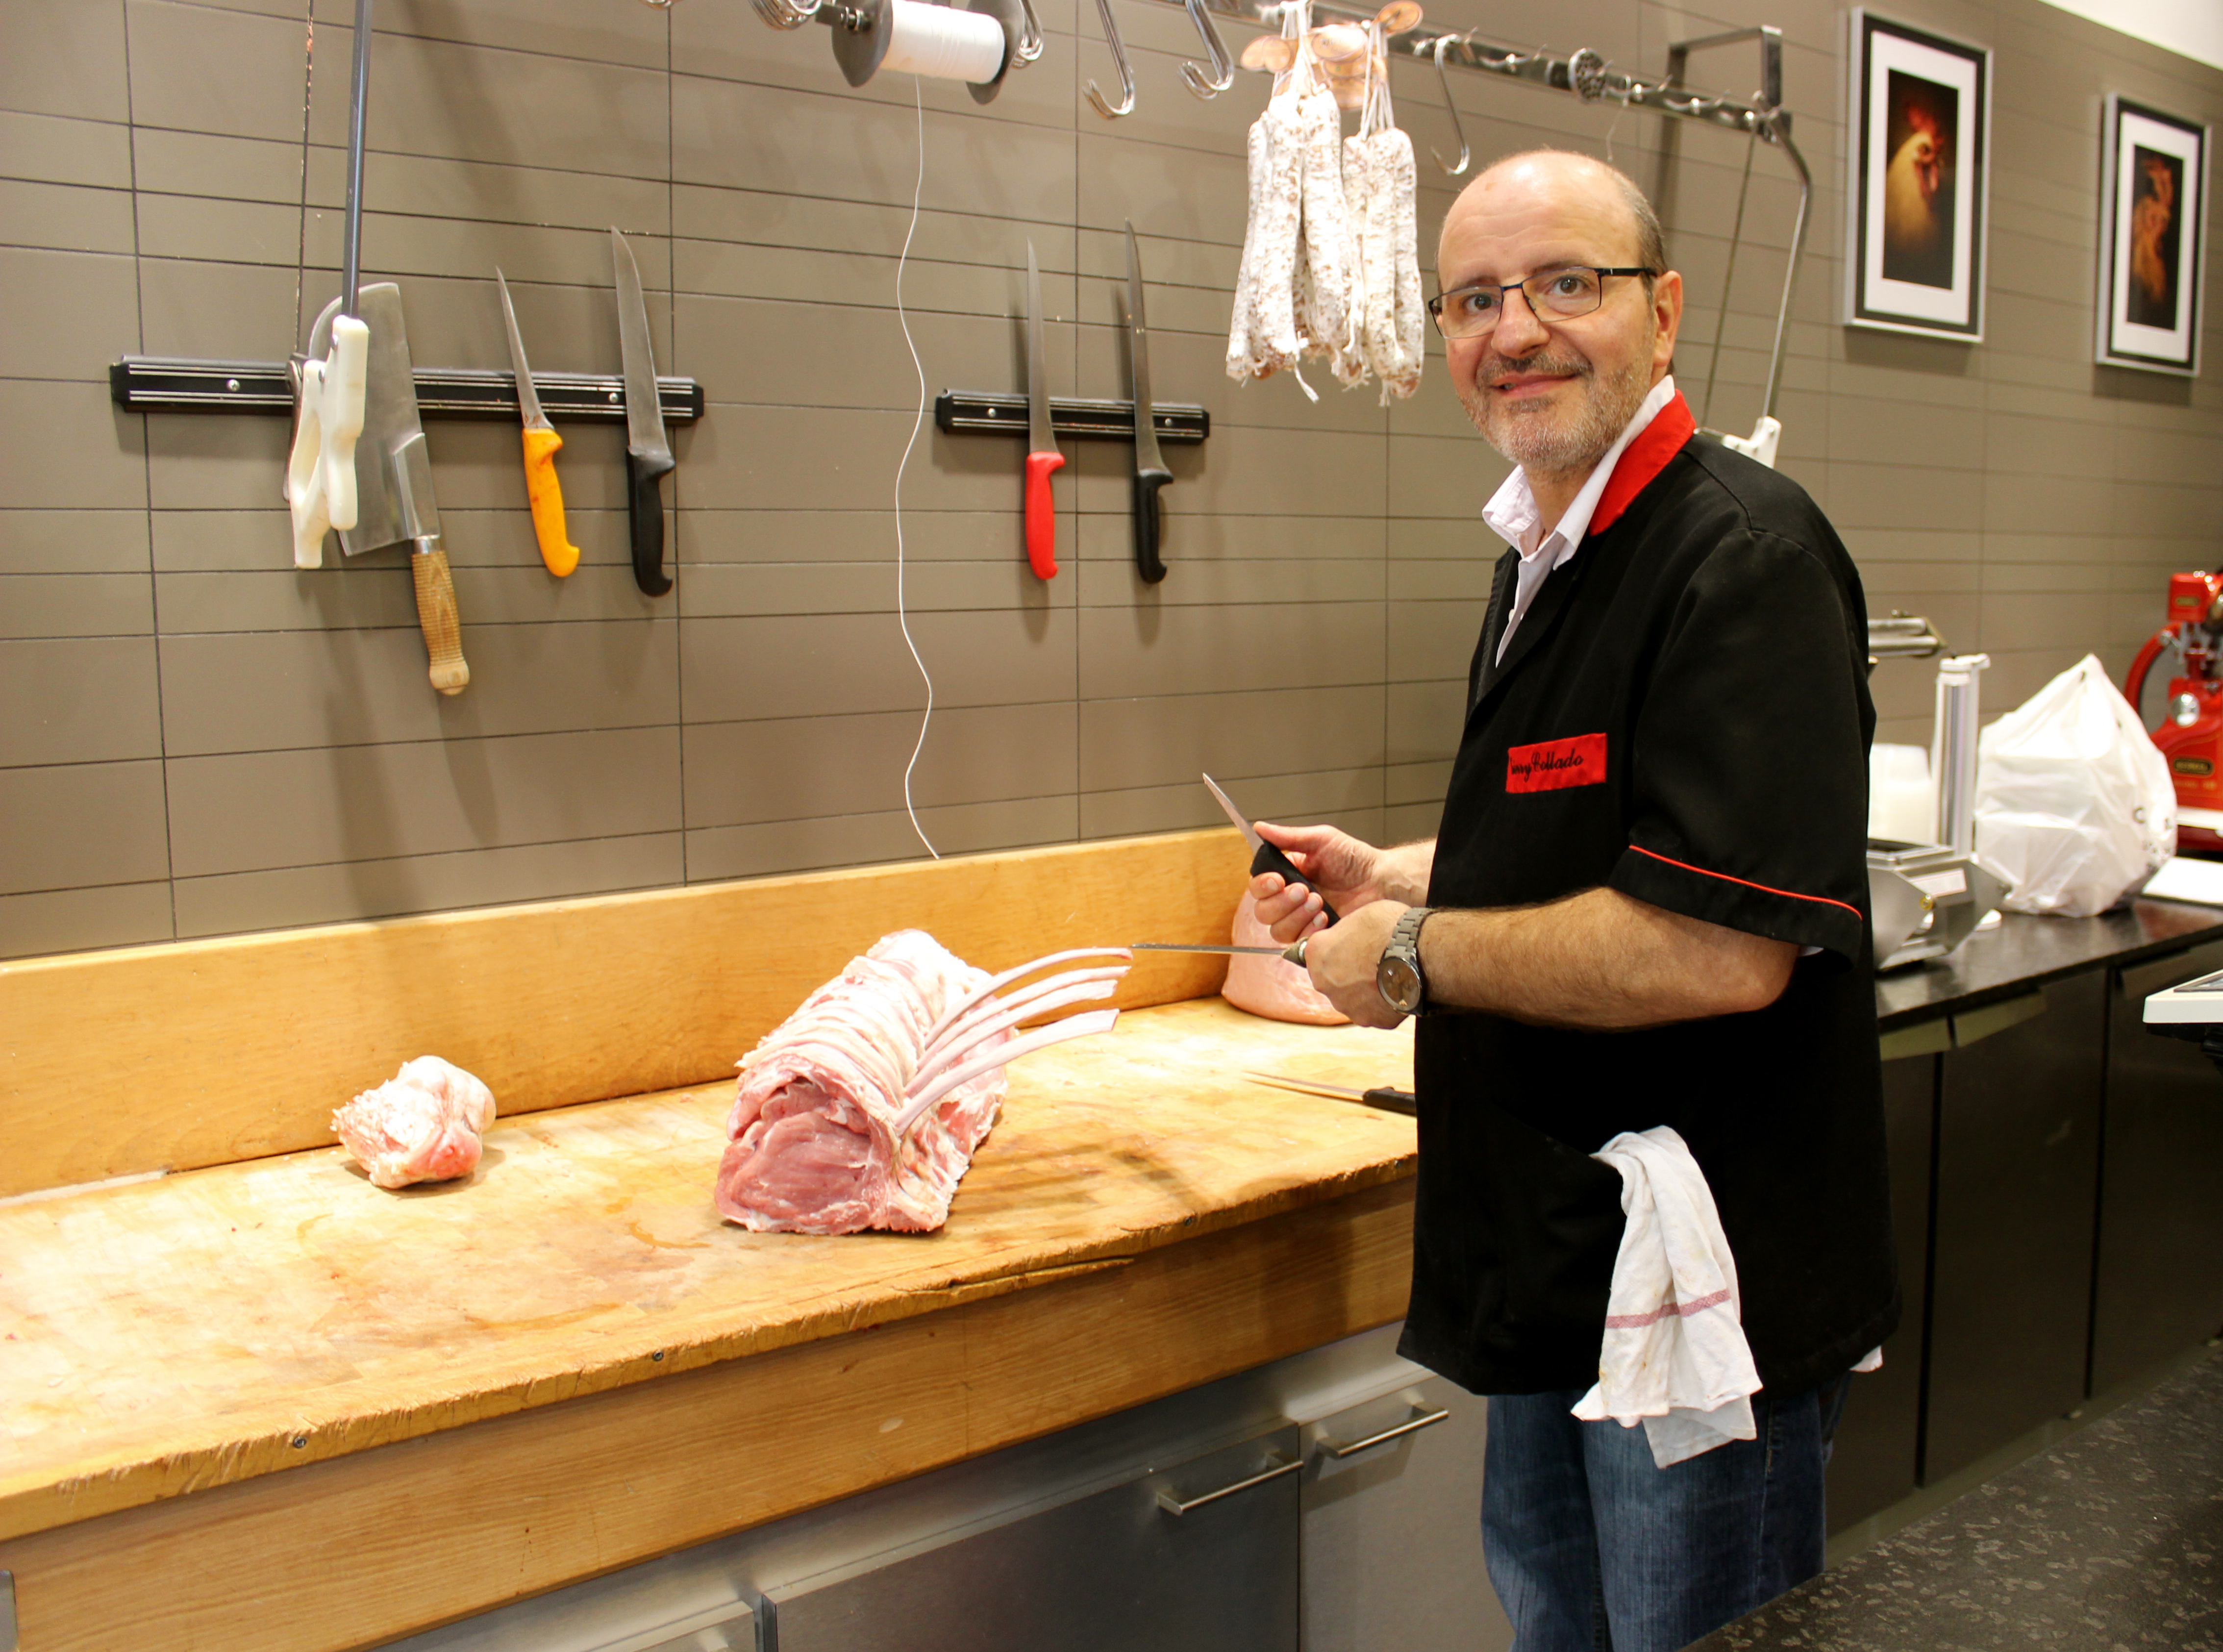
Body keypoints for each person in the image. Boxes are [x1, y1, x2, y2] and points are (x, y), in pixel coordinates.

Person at [1249, 150, 1898, 1652]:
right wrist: (1390, 874)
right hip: (1558, 1258)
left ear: (1662, 313)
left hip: (1698, 1302)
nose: (1516, 330)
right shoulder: (1547, 550)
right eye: (1475, 299)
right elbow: (1591, 836)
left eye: (1564, 284)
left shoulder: (1742, 555)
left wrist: (1409, 954)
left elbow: (1716, 947)